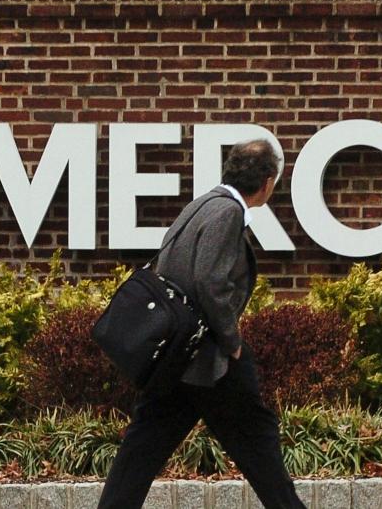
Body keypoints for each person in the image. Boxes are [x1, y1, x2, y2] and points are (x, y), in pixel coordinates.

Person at [98, 139, 307, 509]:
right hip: (209, 356)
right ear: (268, 182)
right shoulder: (227, 213)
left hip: (177, 356)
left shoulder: (202, 204)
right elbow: (210, 280)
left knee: (144, 444)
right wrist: (231, 340)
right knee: (257, 440)